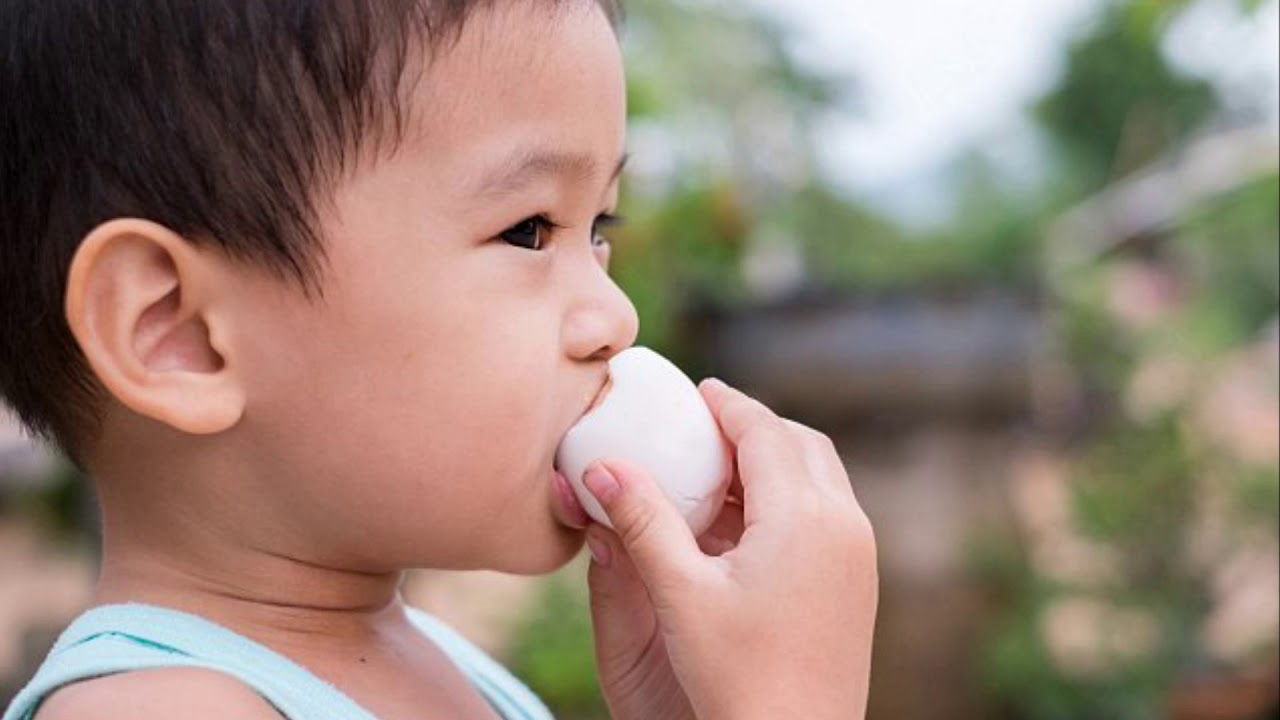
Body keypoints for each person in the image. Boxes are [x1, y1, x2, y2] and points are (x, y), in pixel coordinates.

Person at [0, 1, 879, 718]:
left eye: (598, 228)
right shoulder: (161, 711)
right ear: (179, 333)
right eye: (529, 230)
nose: (616, 314)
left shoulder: (445, 666)